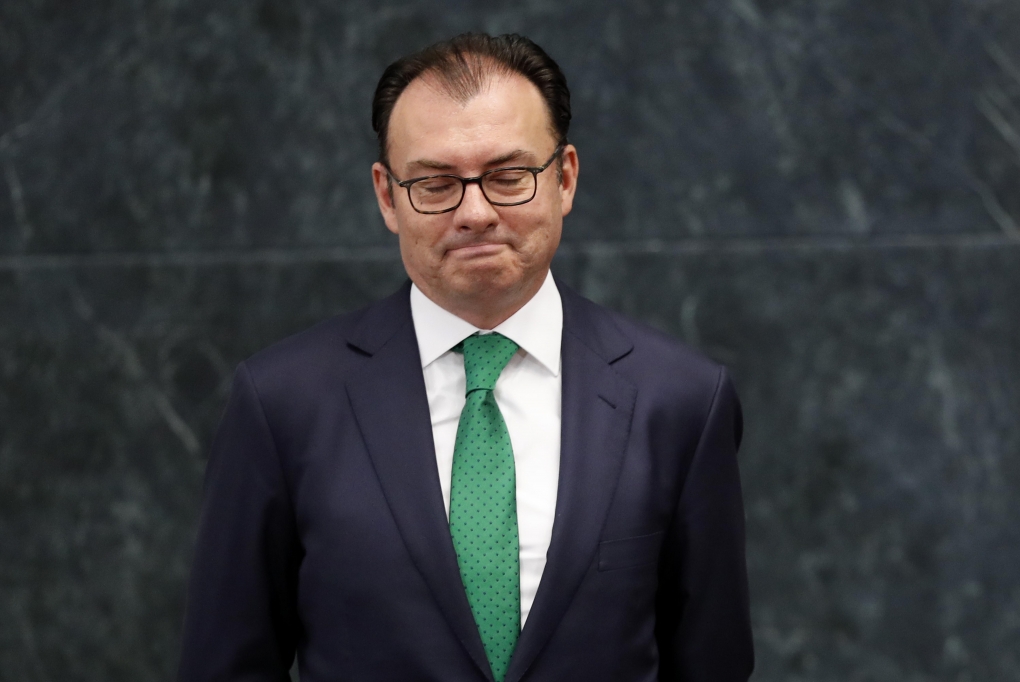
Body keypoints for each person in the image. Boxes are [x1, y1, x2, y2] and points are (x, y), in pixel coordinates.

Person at [178, 33, 753, 682]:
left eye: (508, 177)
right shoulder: (284, 402)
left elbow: (713, 664)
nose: (475, 212)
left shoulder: (679, 400)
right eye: (435, 183)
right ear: (388, 196)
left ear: (563, 178)